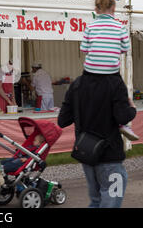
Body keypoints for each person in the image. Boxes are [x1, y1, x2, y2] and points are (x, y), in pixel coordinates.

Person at [57, 69, 137, 208]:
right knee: (111, 201)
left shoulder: (77, 84)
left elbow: (63, 120)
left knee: (96, 201)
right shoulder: (115, 83)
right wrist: (132, 109)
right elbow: (123, 116)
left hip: (86, 151)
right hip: (109, 153)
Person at [80, 0, 139, 141]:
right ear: (113, 8)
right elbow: (125, 49)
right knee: (121, 96)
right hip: (111, 72)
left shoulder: (90, 27)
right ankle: (123, 121)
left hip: (90, 73)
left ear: (96, 9)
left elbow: (84, 50)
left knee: (91, 99)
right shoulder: (120, 27)